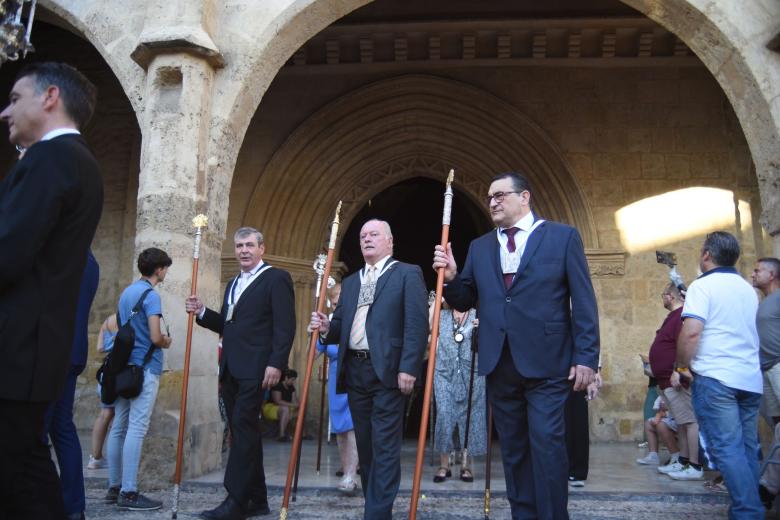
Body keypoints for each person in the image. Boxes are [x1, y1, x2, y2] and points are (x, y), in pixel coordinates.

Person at [432, 172, 599, 519]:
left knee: (548, 446)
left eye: (500, 195)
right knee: (514, 450)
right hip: (500, 365)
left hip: (549, 364)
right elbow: (465, 299)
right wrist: (450, 277)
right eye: (490, 197)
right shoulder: (480, 247)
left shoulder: (561, 237)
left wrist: (587, 357)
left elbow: (583, 301)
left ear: (525, 197)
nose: (492, 201)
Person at [0, 61, 103, 519]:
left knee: (20, 468)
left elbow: (9, 251)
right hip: (37, 347)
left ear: (49, 97)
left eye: (15, 97)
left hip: (16, 344)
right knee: (24, 467)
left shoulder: (50, 157)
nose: (6, 111)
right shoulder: (80, 161)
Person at [309, 219, 428, 520]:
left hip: (389, 371)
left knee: (385, 447)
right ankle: (376, 509)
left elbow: (416, 325)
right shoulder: (351, 283)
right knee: (367, 446)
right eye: (363, 236)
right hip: (356, 372)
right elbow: (340, 327)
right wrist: (325, 327)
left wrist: (409, 367)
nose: (367, 239)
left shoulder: (406, 274)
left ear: (390, 241)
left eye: (374, 234)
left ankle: (375, 514)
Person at [187, 227, 296, 520]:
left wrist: (277, 364)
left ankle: (235, 500)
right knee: (243, 431)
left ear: (262, 248)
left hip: (258, 368)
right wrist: (202, 313)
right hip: (232, 368)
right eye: (239, 246)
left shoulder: (276, 278)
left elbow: (285, 327)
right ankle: (258, 500)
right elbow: (229, 324)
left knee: (242, 429)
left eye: (249, 245)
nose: (244, 250)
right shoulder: (234, 282)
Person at [677, 231, 763, 517]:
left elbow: (691, 333)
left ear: (706, 255)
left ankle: (748, 511)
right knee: (748, 447)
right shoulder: (746, 288)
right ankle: (754, 505)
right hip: (749, 378)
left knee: (727, 448)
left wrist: (681, 367)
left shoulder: (703, 287)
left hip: (717, 378)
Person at [106, 248, 173, 511]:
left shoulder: (127, 292)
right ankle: (130, 491)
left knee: (119, 426)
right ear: (158, 269)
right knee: (137, 427)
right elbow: (156, 337)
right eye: (165, 268)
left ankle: (114, 486)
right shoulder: (151, 296)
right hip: (144, 368)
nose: (166, 272)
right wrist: (167, 341)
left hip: (123, 368)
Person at [43, 250, 99, 520]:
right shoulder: (90, 262)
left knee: (36, 432)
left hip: (49, 351)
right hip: (72, 351)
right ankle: (73, 505)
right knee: (62, 427)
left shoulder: (62, 256)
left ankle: (38, 503)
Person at [646, 283, 702, 480]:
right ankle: (683, 461)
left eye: (664, 295)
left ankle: (694, 465)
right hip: (664, 380)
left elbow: (686, 342)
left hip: (675, 378)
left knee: (689, 421)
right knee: (681, 421)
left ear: (671, 296)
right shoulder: (673, 316)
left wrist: (679, 370)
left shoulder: (682, 315)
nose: (663, 298)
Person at [432, 303, 486, 484]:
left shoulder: (478, 313)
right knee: (445, 415)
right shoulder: (441, 313)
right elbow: (429, 334)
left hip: (472, 371)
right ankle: (444, 466)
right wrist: (434, 306)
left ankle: (466, 466)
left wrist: (483, 327)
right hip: (444, 372)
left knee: (470, 417)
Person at [315, 282, 360, 494]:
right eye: (334, 302)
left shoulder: (358, 320)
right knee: (341, 428)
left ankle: (351, 474)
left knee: (352, 426)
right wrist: (312, 334)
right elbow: (311, 355)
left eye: (339, 301)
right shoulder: (328, 323)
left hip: (356, 376)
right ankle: (347, 469)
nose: (336, 305)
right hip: (335, 380)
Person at [88, 313, 119, 469]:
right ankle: (117, 460)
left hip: (106, 373)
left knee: (105, 414)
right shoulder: (131, 318)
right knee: (120, 418)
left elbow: (100, 347)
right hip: (121, 373)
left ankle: (96, 457)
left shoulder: (109, 320)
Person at [752, 258, 780, 424]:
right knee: (777, 420)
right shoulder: (763, 302)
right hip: (766, 368)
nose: (753, 274)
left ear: (771, 275)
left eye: (757, 271)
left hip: (778, 365)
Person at [636, 397, 679, 466]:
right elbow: (658, 406)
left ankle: (676, 456)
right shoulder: (664, 392)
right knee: (648, 424)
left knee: (661, 425)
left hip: (679, 420)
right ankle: (653, 456)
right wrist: (660, 412)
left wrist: (664, 413)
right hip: (669, 418)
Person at [267, 369, 299, 442]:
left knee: (300, 410)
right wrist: (294, 405)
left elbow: (294, 401)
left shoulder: (291, 387)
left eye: (294, 380)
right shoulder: (278, 385)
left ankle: (302, 434)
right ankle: (281, 435)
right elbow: (277, 401)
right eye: (292, 379)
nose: (293, 381)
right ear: (286, 378)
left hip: (285, 407)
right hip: (271, 407)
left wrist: (298, 405)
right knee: (285, 409)